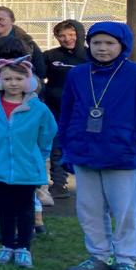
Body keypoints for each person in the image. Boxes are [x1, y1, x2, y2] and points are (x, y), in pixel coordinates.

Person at [60, 22, 136, 270]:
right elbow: (67, 111)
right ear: (89, 44)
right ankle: (99, 256)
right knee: (89, 209)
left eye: (109, 43)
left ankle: (126, 260)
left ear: (122, 46)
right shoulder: (78, 74)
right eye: (97, 43)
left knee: (124, 211)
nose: (102, 48)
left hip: (121, 154)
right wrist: (67, 146)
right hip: (84, 151)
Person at [0, 60, 56, 269]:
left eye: (19, 79)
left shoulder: (38, 108)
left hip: (27, 167)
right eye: (8, 79)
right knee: (5, 207)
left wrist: (37, 156)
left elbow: (47, 134)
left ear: (28, 81)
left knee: (25, 208)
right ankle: (7, 244)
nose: (13, 83)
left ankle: (23, 247)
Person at [43, 19, 86, 198]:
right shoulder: (50, 56)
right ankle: (59, 184)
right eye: (62, 35)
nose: (67, 39)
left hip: (84, 111)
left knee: (84, 146)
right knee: (57, 146)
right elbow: (37, 78)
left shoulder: (92, 56)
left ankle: (89, 184)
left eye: (71, 34)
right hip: (56, 109)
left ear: (80, 34)